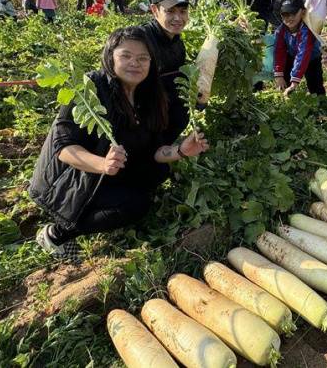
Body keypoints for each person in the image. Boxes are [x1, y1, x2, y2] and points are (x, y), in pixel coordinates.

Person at [29, 26, 210, 259]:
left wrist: (181, 151)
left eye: (142, 58)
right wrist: (102, 164)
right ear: (110, 56)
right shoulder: (91, 87)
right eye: (126, 56)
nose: (135, 63)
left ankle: (102, 199)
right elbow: (64, 149)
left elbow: (153, 150)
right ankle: (58, 233)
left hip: (105, 170)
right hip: (67, 179)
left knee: (156, 173)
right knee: (134, 205)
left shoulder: (148, 93)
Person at [142, 0, 191, 143]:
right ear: (154, 10)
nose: (178, 18)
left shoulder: (178, 44)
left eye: (183, 12)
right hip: (142, 119)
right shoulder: (142, 41)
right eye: (170, 11)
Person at [273, 0, 324, 96]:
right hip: (293, 55)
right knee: (284, 72)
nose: (289, 18)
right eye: (285, 14)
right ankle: (285, 93)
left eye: (293, 13)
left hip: (312, 58)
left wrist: (294, 83)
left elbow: (303, 53)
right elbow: (279, 51)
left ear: (302, 12)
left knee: (315, 86)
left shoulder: (307, 31)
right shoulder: (281, 30)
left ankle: (320, 101)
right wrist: (279, 75)